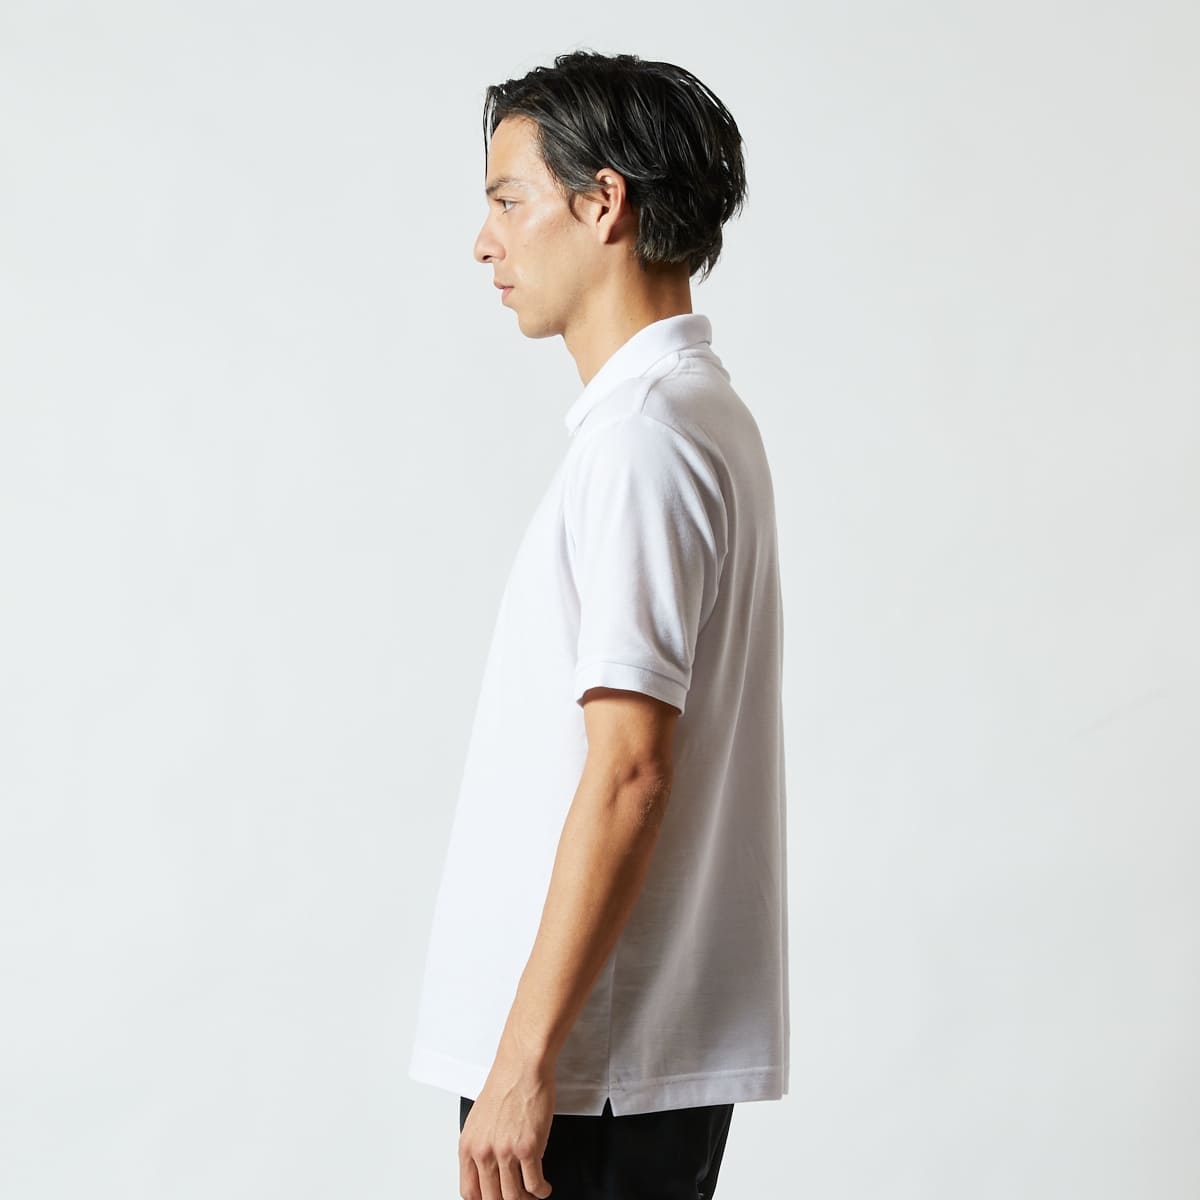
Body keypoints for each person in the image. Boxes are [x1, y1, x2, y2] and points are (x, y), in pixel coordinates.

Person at [408, 49, 789, 1200]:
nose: (485, 243)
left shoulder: (644, 442)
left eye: (508, 200)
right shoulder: (689, 416)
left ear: (603, 202)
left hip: (588, 1074)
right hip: (610, 1063)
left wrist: (525, 1063)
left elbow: (629, 771)